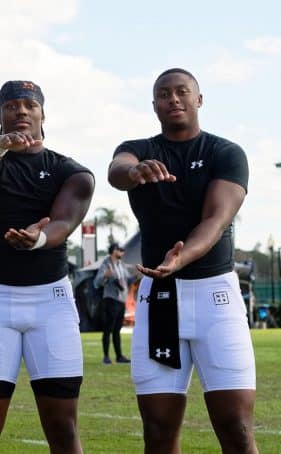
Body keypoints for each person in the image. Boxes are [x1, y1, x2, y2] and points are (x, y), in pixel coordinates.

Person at [108, 68, 257, 453]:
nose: (173, 99)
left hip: (215, 298)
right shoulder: (139, 148)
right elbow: (116, 171)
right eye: (163, 94)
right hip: (161, 299)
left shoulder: (225, 153)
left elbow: (216, 219)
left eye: (181, 92)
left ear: (199, 99)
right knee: (158, 431)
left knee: (236, 427)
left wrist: (183, 256)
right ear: (154, 104)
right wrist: (134, 170)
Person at [0, 80, 94, 453]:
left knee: (64, 430)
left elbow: (64, 222)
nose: (21, 111)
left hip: (51, 302)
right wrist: (0, 146)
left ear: (43, 114)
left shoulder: (71, 171)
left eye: (29, 105)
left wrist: (39, 239)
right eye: (12, 105)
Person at [94, 242, 131, 364]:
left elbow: (128, 278)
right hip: (110, 300)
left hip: (121, 300)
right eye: (120, 249)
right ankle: (106, 357)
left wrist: (136, 275)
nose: (122, 252)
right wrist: (105, 275)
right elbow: (97, 282)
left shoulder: (122, 265)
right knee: (108, 329)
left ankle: (119, 356)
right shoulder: (106, 264)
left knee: (117, 330)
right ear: (113, 250)